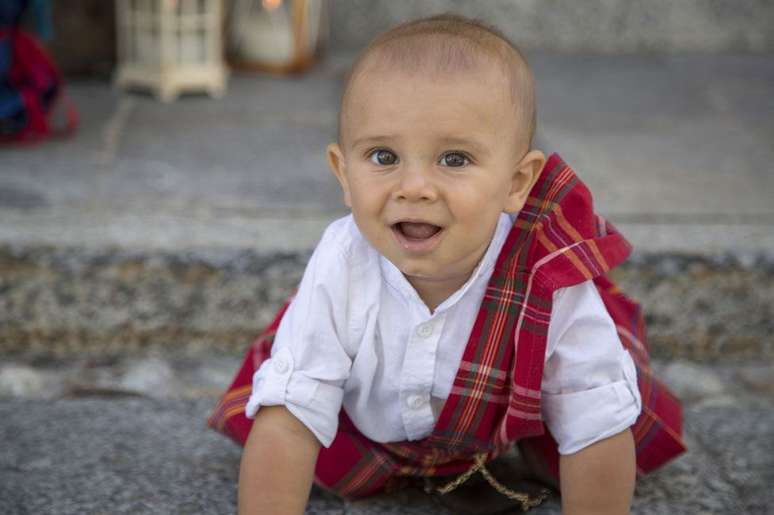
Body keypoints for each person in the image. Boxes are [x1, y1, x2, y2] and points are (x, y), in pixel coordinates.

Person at [208, 14, 685, 515]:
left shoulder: (547, 273)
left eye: (454, 159)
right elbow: (290, 416)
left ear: (517, 183)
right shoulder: (344, 260)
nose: (414, 186)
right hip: (364, 429)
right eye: (383, 156)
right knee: (289, 431)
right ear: (342, 174)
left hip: (500, 428)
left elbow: (595, 416)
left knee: (592, 437)